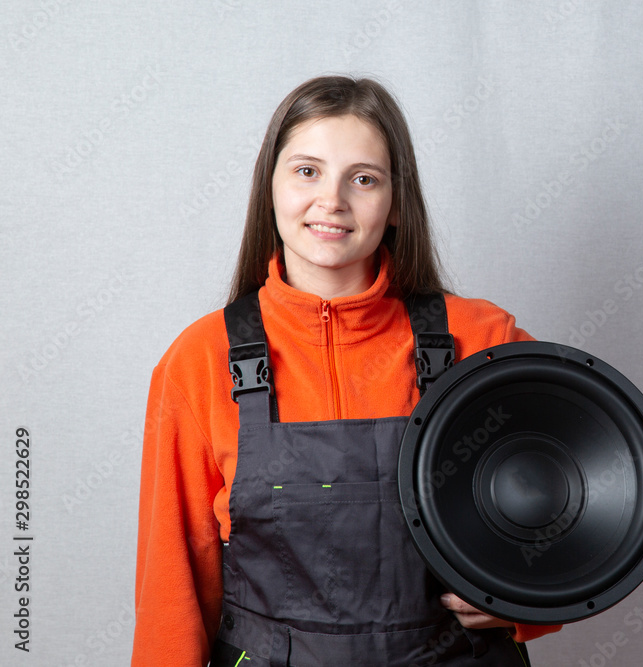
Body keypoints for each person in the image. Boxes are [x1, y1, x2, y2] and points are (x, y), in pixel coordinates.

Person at [132, 76, 561, 666]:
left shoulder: (482, 340)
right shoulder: (199, 361)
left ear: (395, 203)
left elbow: (586, 499)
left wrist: (522, 599)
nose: (331, 200)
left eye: (363, 178)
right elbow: (170, 592)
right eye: (307, 171)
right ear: (271, 188)